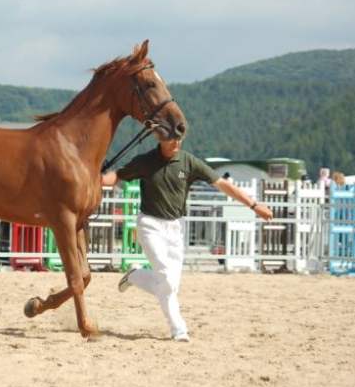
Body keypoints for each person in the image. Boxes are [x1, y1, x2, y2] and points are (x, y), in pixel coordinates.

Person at [101, 135, 273, 342]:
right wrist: (96, 178)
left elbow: (221, 184)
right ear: (160, 137)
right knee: (166, 278)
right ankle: (178, 329)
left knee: (170, 284)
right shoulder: (145, 161)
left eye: (179, 139)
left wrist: (254, 205)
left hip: (176, 228)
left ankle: (135, 276)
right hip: (150, 224)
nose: (176, 142)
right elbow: (117, 177)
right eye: (171, 138)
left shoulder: (189, 162)